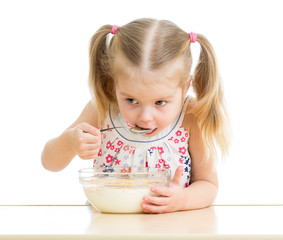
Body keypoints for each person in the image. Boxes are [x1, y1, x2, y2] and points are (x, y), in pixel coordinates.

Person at [41, 18, 230, 213]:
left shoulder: (190, 117)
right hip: (108, 228)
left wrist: (182, 200)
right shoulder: (102, 109)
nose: (145, 117)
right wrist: (69, 141)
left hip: (170, 229)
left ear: (185, 87)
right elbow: (49, 162)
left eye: (160, 102)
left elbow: (208, 184)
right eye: (131, 100)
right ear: (113, 83)